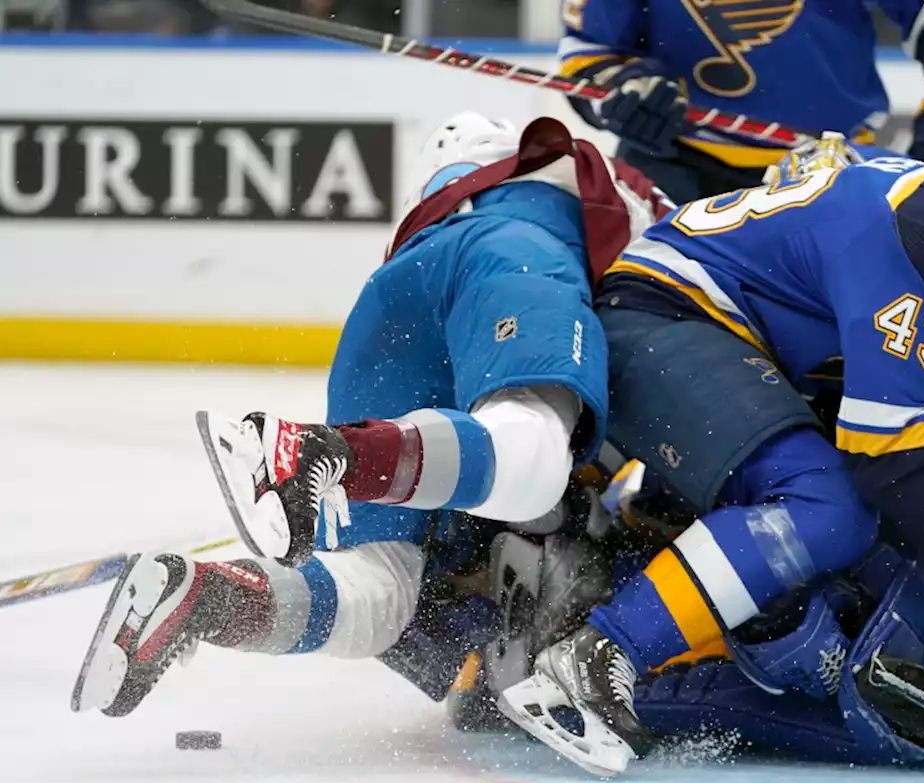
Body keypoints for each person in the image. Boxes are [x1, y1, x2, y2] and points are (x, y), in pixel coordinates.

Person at [495, 130, 924, 776]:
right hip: (662, 318)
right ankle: (596, 654)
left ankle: (689, 628)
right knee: (828, 506)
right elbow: (891, 454)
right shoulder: (917, 249)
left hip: (718, 337)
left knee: (870, 529)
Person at [69, 113, 671, 718]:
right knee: (531, 459)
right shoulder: (592, 188)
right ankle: (316, 454)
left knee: (380, 590)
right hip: (512, 263)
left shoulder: (448, 196)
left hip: (393, 297)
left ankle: (202, 595)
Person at [555, 0, 924, 203]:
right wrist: (626, 88)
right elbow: (589, 52)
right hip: (674, 164)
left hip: (827, 168)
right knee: (645, 324)